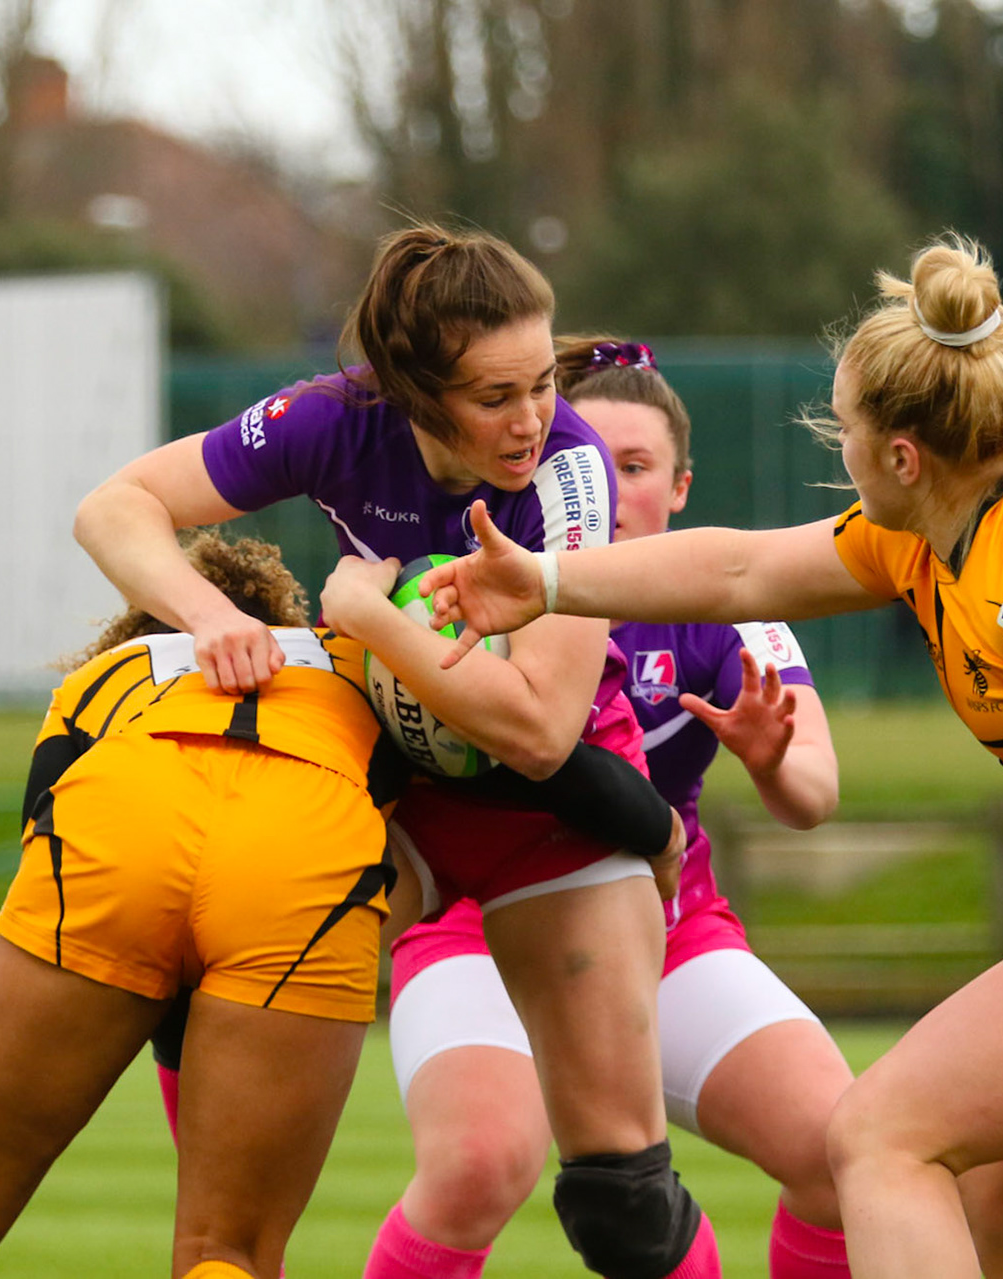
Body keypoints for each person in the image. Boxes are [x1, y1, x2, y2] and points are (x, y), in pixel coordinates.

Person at [420, 236, 1003, 1278]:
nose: (841, 452)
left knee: (878, 1134)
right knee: (1001, 1209)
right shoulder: (924, 533)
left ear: (905, 455)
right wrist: (548, 583)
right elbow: (738, 567)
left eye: (847, 432)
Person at [75, 223, 725, 1279]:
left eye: (538, 383)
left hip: (556, 806)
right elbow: (114, 506)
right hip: (398, 796)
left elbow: (537, 727)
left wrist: (370, 621)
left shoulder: (571, 464)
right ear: (414, 392)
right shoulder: (333, 420)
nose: (529, 421)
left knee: (623, 1207)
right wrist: (203, 613)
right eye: (492, 396)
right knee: (205, 979)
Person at [367, 338, 856, 1279]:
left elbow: (815, 794)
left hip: (667, 927)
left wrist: (772, 759)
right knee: (478, 1165)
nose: (617, 490)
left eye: (640, 469)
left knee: (841, 1148)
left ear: (680, 488)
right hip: (471, 915)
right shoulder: (464, 591)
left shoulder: (727, 612)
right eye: (596, 462)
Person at [0, 533, 406, 1279]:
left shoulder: (110, 671)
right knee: (227, 1251)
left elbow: (41, 818)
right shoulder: (363, 665)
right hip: (302, 839)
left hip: (123, 812)